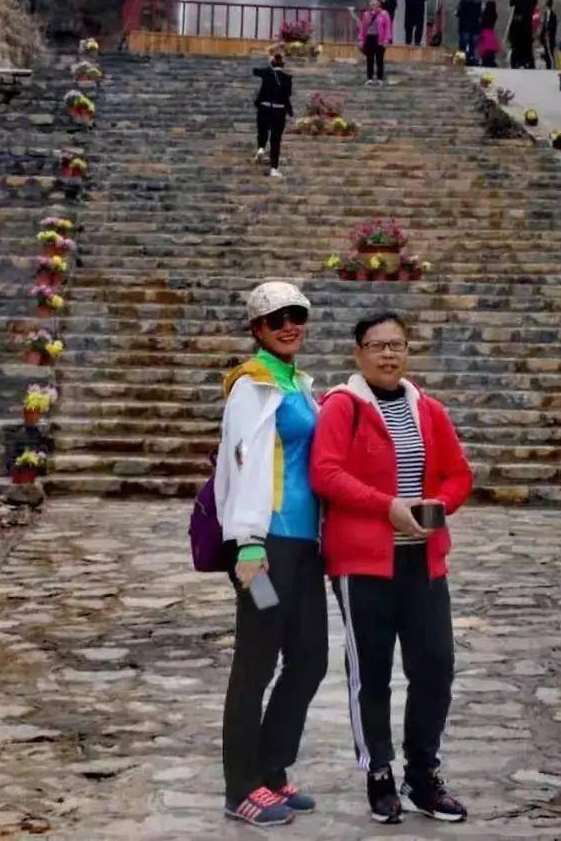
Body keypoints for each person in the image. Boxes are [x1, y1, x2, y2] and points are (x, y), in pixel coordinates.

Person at [310, 311, 473, 826]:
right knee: (371, 671)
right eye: (377, 345)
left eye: (397, 345)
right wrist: (388, 507)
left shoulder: (428, 409)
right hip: (363, 564)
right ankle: (378, 773)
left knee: (435, 664)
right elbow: (325, 473)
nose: (388, 354)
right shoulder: (342, 406)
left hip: (422, 561)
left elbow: (457, 474)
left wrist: (437, 506)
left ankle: (422, 774)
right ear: (358, 353)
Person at [217, 281, 327, 828]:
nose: (290, 325)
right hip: (265, 549)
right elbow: (243, 462)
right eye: (278, 318)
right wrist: (248, 541)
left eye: (297, 316)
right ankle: (241, 787)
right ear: (257, 329)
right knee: (256, 663)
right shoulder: (252, 385)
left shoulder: (300, 384)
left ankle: (272, 766)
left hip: (306, 546)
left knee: (310, 658)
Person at [252, 47, 293, 180]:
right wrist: (290, 110)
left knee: (262, 130)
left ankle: (261, 148)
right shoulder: (287, 78)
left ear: (272, 63)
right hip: (279, 110)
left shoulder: (267, 73)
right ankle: (274, 168)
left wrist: (268, 65)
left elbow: (254, 71)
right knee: (276, 140)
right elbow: (287, 95)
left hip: (264, 107)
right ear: (283, 64)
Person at [358, 0, 393, 85]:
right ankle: (369, 78)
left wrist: (386, 40)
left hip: (379, 38)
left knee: (379, 59)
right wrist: (361, 40)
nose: (373, 3)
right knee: (369, 59)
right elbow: (362, 28)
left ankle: (379, 78)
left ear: (379, 3)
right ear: (369, 3)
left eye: (375, 1)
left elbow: (388, 28)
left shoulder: (384, 14)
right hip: (369, 38)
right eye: (372, 1)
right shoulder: (366, 14)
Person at [508, 0, 538, 69]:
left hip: (517, 23)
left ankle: (516, 61)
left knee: (516, 43)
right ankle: (526, 61)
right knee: (527, 44)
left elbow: (511, 3)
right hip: (527, 24)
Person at [455, 0, 482, 64]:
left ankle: (461, 60)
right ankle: (471, 58)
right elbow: (480, 14)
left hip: (464, 27)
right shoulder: (478, 2)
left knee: (463, 45)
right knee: (472, 46)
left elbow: (459, 13)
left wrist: (457, 13)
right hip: (475, 28)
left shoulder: (463, 2)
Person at [478, 0, 501, 68]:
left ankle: (485, 60)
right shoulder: (494, 14)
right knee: (491, 48)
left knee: (485, 48)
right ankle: (491, 60)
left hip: (484, 32)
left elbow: (481, 22)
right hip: (491, 32)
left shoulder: (484, 13)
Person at [540, 0, 558, 69]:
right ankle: (549, 67)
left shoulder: (551, 14)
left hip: (549, 36)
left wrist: (547, 32)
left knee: (550, 52)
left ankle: (551, 67)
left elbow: (549, 25)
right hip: (547, 36)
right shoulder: (546, 13)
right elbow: (545, 25)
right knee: (547, 53)